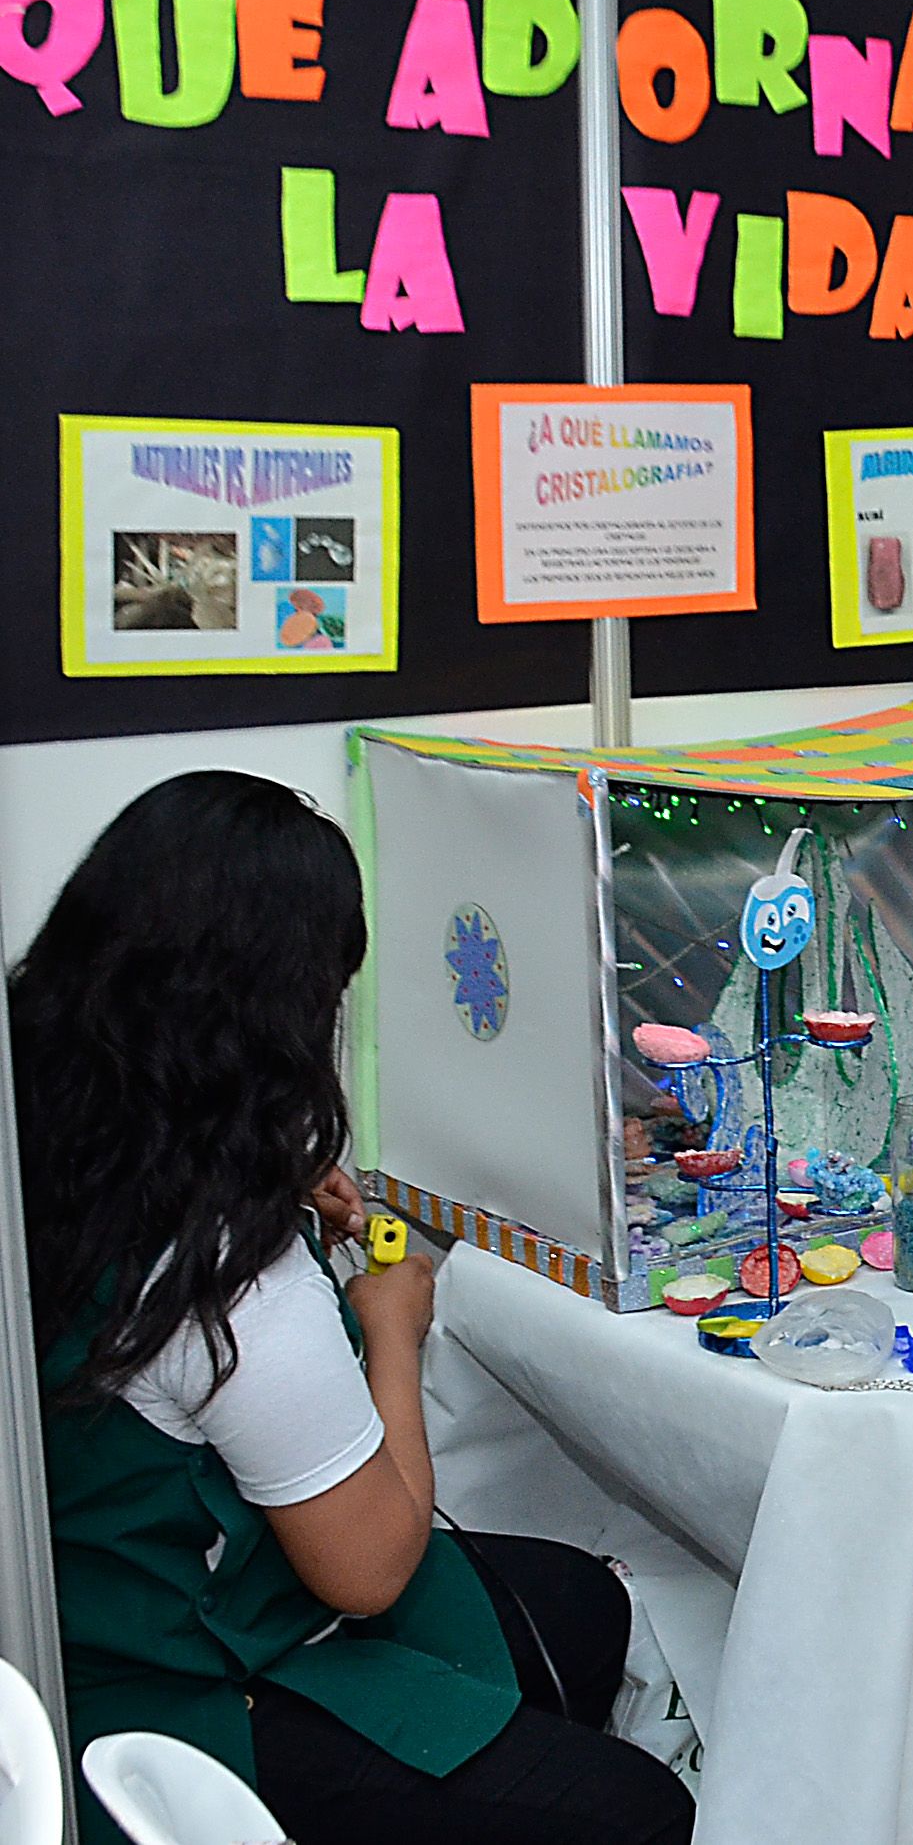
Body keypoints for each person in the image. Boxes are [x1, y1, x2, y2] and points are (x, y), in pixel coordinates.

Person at [17, 772, 696, 1845]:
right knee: (639, 1809)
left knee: (581, 1603)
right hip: (172, 1708)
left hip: (77, 1625)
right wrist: (391, 1331)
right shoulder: (225, 1276)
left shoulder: (41, 1138)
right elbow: (373, 1568)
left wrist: (265, 1176)